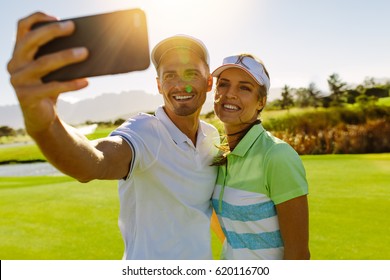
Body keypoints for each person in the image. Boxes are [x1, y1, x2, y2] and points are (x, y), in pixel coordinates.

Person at [7, 12, 220, 259]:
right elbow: (95, 161)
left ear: (208, 82)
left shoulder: (212, 136)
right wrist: (45, 123)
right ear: (159, 85)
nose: (180, 84)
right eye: (170, 75)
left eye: (191, 73)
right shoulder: (144, 132)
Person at [211, 54, 310, 260]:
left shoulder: (277, 155)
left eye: (244, 88)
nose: (230, 94)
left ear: (261, 102)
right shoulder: (218, 154)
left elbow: (299, 254)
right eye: (223, 84)